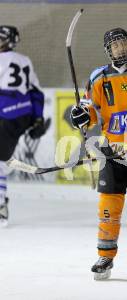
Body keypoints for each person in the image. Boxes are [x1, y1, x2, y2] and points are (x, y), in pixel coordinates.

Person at [69, 28, 127, 280]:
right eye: (115, 46)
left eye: (123, 44)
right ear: (108, 51)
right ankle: (105, 256)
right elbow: (91, 109)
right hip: (115, 150)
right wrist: (81, 116)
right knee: (108, 205)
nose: (120, 49)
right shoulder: (99, 77)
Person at [0, 25, 46, 227]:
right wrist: (37, 118)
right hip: (21, 115)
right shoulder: (24, 60)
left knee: (0, 161)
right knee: (1, 160)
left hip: (5, 114)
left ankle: (1, 205)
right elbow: (36, 91)